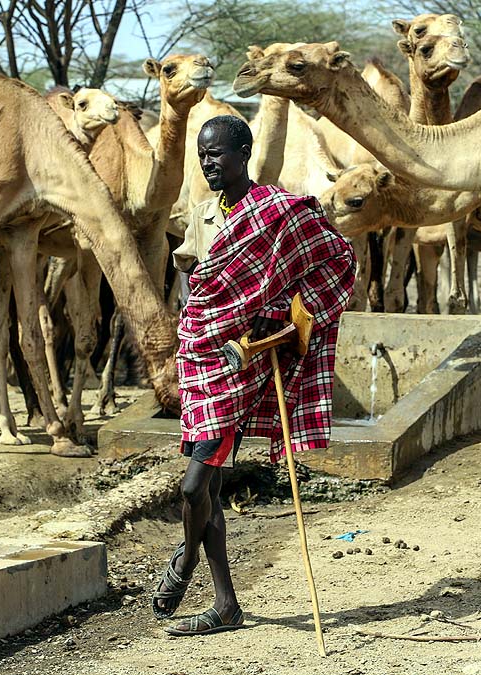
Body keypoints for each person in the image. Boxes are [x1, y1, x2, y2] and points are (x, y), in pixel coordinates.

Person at [152, 115, 355, 636]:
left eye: (217, 154)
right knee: (209, 488)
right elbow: (197, 284)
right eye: (202, 156)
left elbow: (335, 259)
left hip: (248, 365)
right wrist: (201, 322)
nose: (208, 164)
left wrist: (289, 320)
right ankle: (226, 606)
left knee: (194, 484)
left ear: (243, 153)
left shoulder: (280, 212)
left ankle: (187, 558)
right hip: (202, 360)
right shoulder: (201, 215)